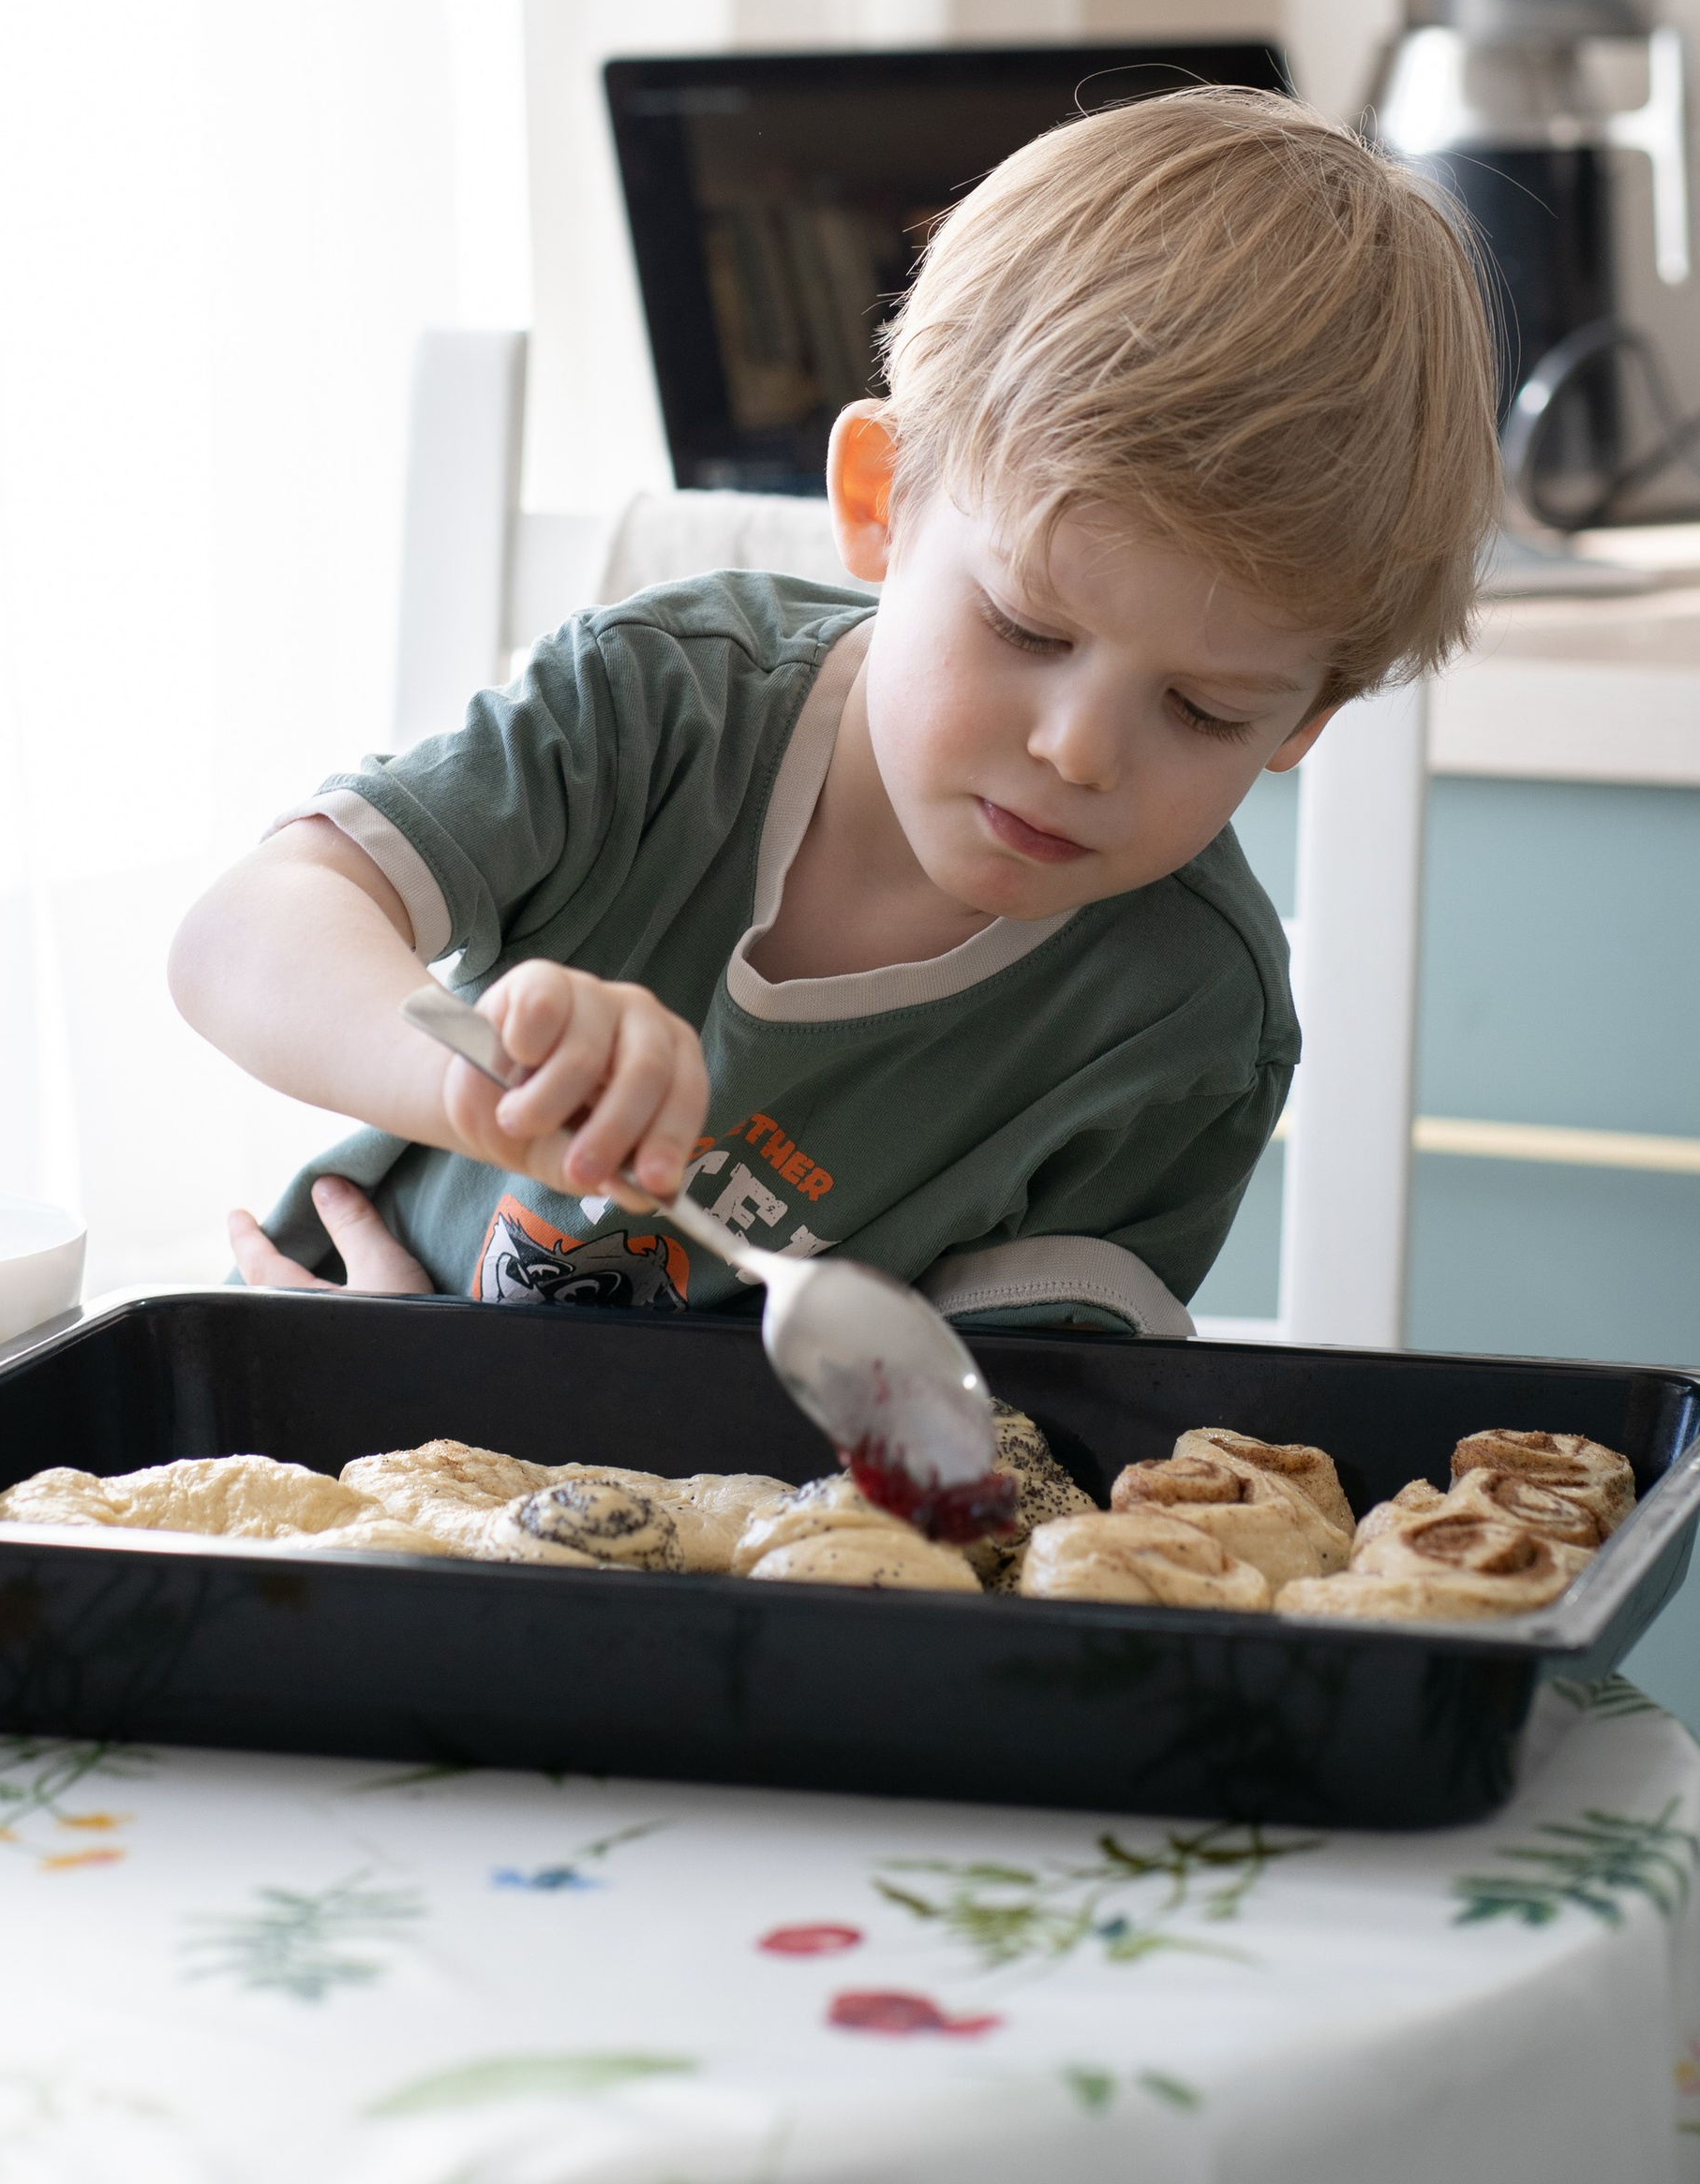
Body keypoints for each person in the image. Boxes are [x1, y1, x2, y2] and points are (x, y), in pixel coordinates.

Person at [168, 89, 1500, 1332]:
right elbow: (241, 939)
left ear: (1306, 721)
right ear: (879, 502)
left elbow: (999, 1463)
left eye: (1206, 711)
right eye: (1026, 628)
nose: (1078, 750)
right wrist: (469, 1087)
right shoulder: (661, 708)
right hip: (321, 1406)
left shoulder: (1179, 1024)